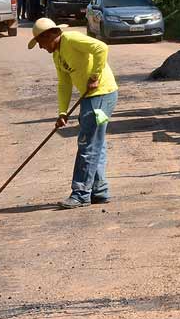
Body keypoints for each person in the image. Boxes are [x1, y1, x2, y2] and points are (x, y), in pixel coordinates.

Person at [28, 18, 119, 208]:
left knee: (88, 145)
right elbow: (64, 84)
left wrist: (95, 75)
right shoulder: (57, 54)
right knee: (96, 144)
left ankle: (80, 194)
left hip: (101, 94)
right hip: (90, 97)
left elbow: (101, 48)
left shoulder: (71, 39)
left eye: (41, 42)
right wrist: (62, 112)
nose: (41, 47)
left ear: (50, 35)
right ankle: (99, 191)